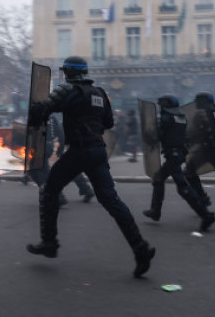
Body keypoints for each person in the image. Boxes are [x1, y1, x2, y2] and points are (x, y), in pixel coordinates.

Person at [26, 56, 155, 278]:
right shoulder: (100, 94)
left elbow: (43, 110)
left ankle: (49, 243)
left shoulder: (67, 90)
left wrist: (36, 108)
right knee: (111, 201)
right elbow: (109, 123)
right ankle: (140, 248)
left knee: (49, 190)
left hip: (79, 151)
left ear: (67, 72)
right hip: (98, 151)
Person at [142, 94, 215, 232]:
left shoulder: (166, 118)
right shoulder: (181, 117)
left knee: (182, 187)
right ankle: (155, 211)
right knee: (158, 179)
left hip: (172, 155)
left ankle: (206, 215)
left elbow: (156, 136)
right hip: (180, 153)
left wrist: (147, 134)